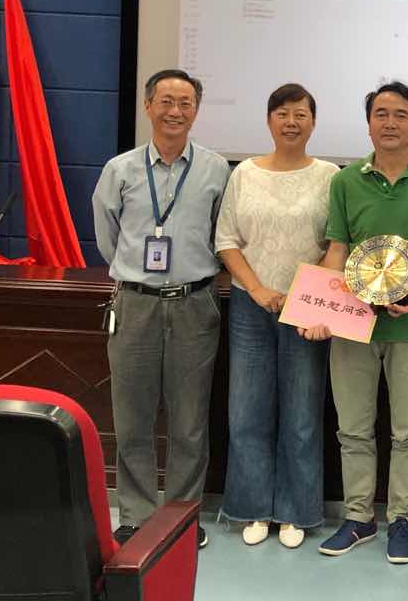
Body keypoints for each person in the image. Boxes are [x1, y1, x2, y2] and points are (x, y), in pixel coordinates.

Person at [306, 81, 408, 566]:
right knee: (353, 429)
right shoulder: (346, 181)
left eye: (400, 114)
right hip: (354, 324)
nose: (390, 122)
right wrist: (321, 311)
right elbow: (337, 248)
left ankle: (401, 520)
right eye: (380, 114)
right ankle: (358, 518)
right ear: (368, 123)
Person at [92, 68, 230, 549]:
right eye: (166, 101)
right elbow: (107, 236)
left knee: (190, 421)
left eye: (185, 102)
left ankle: (181, 518)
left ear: (196, 110)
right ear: (148, 105)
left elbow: (221, 234)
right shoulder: (120, 170)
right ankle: (135, 516)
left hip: (194, 303)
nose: (175, 111)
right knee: (132, 418)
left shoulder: (216, 169)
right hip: (135, 303)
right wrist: (137, 272)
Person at [215, 83, 339, 549]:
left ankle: (294, 512)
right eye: (282, 113)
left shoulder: (330, 176)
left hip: (307, 309)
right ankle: (253, 508)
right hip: (251, 304)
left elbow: (337, 243)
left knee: (302, 414)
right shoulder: (244, 173)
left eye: (300, 114)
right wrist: (258, 288)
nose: (291, 122)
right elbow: (227, 240)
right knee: (247, 410)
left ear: (313, 122)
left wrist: (306, 295)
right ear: (269, 120)